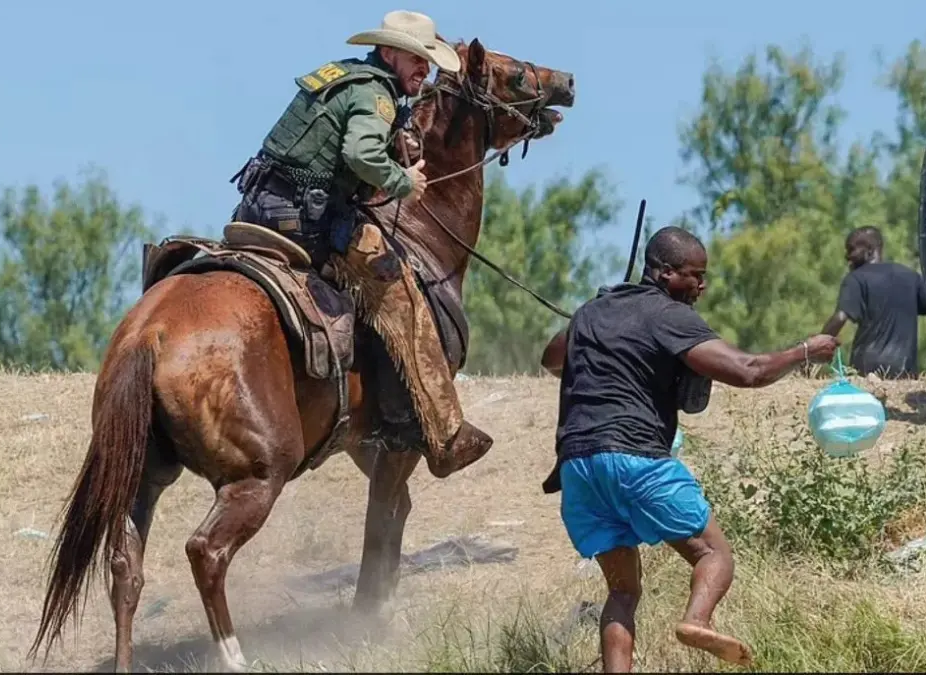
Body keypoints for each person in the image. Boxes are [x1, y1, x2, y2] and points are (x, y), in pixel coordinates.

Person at [538, 226, 839, 673]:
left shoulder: (592, 310)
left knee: (622, 592)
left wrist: (599, 310)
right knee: (713, 554)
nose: (701, 286)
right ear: (662, 273)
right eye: (694, 275)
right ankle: (697, 620)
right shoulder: (669, 316)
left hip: (579, 469)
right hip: (637, 458)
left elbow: (552, 358)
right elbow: (749, 371)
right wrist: (803, 350)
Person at [228, 10, 492, 477]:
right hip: (308, 221)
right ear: (388, 52)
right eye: (416, 59)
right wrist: (403, 180)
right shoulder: (377, 96)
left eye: (428, 63)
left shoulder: (343, 78)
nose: (424, 70)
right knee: (402, 291)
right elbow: (359, 153)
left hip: (257, 208)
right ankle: (445, 432)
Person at [818, 226, 926, 379]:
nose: (847, 257)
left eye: (851, 250)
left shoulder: (856, 278)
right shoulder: (911, 277)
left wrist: (812, 354)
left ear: (870, 250)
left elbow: (840, 318)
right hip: (904, 373)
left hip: (865, 370)